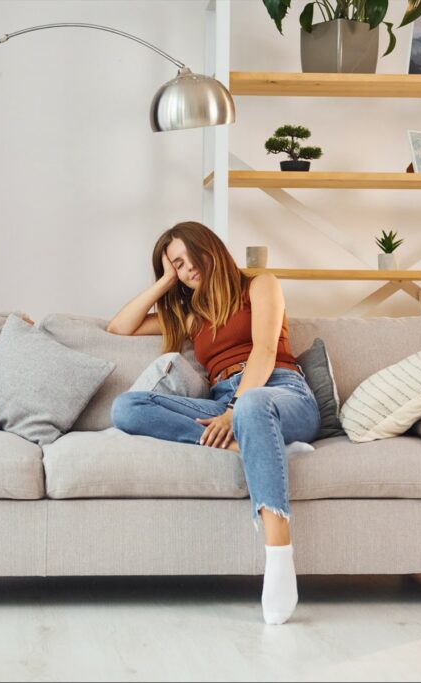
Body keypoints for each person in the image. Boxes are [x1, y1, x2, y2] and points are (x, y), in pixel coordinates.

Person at [107, 221, 320, 625]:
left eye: (188, 258)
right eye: (176, 266)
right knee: (127, 407)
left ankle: (278, 557)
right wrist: (166, 278)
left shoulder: (259, 285)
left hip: (281, 392)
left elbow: (264, 351)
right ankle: (258, 445)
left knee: (255, 405)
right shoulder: (192, 317)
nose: (186, 270)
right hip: (225, 403)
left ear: (210, 248)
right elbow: (120, 326)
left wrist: (235, 411)